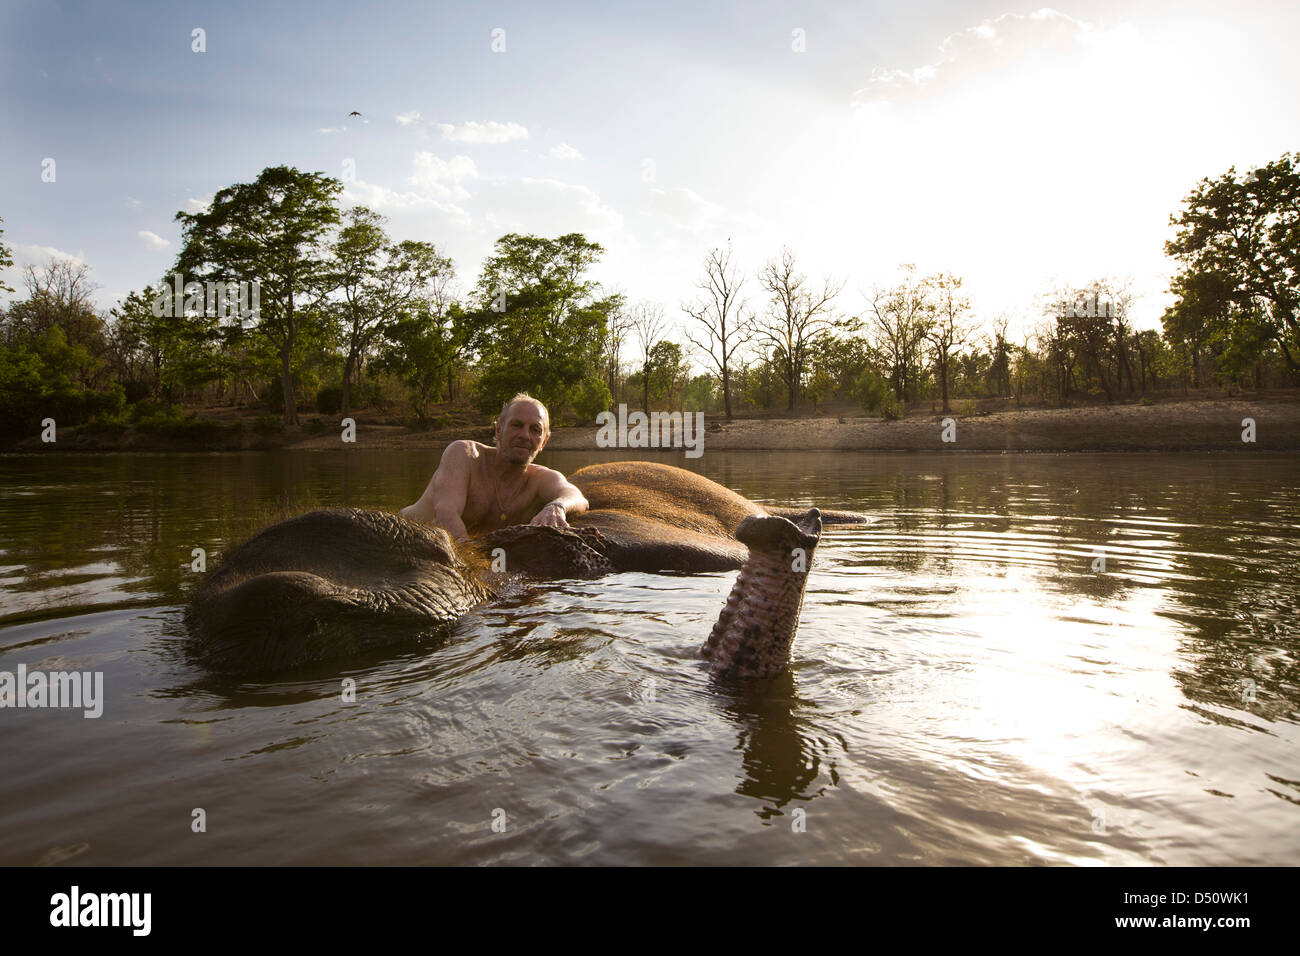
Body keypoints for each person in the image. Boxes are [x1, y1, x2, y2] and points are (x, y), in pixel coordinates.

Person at [399, 393, 588, 540]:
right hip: (403, 537)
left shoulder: (540, 478)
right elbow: (445, 513)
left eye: (535, 430)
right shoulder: (465, 455)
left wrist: (556, 506)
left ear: (544, 441)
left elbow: (577, 497)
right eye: (516, 425)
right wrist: (473, 566)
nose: (525, 435)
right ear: (498, 430)